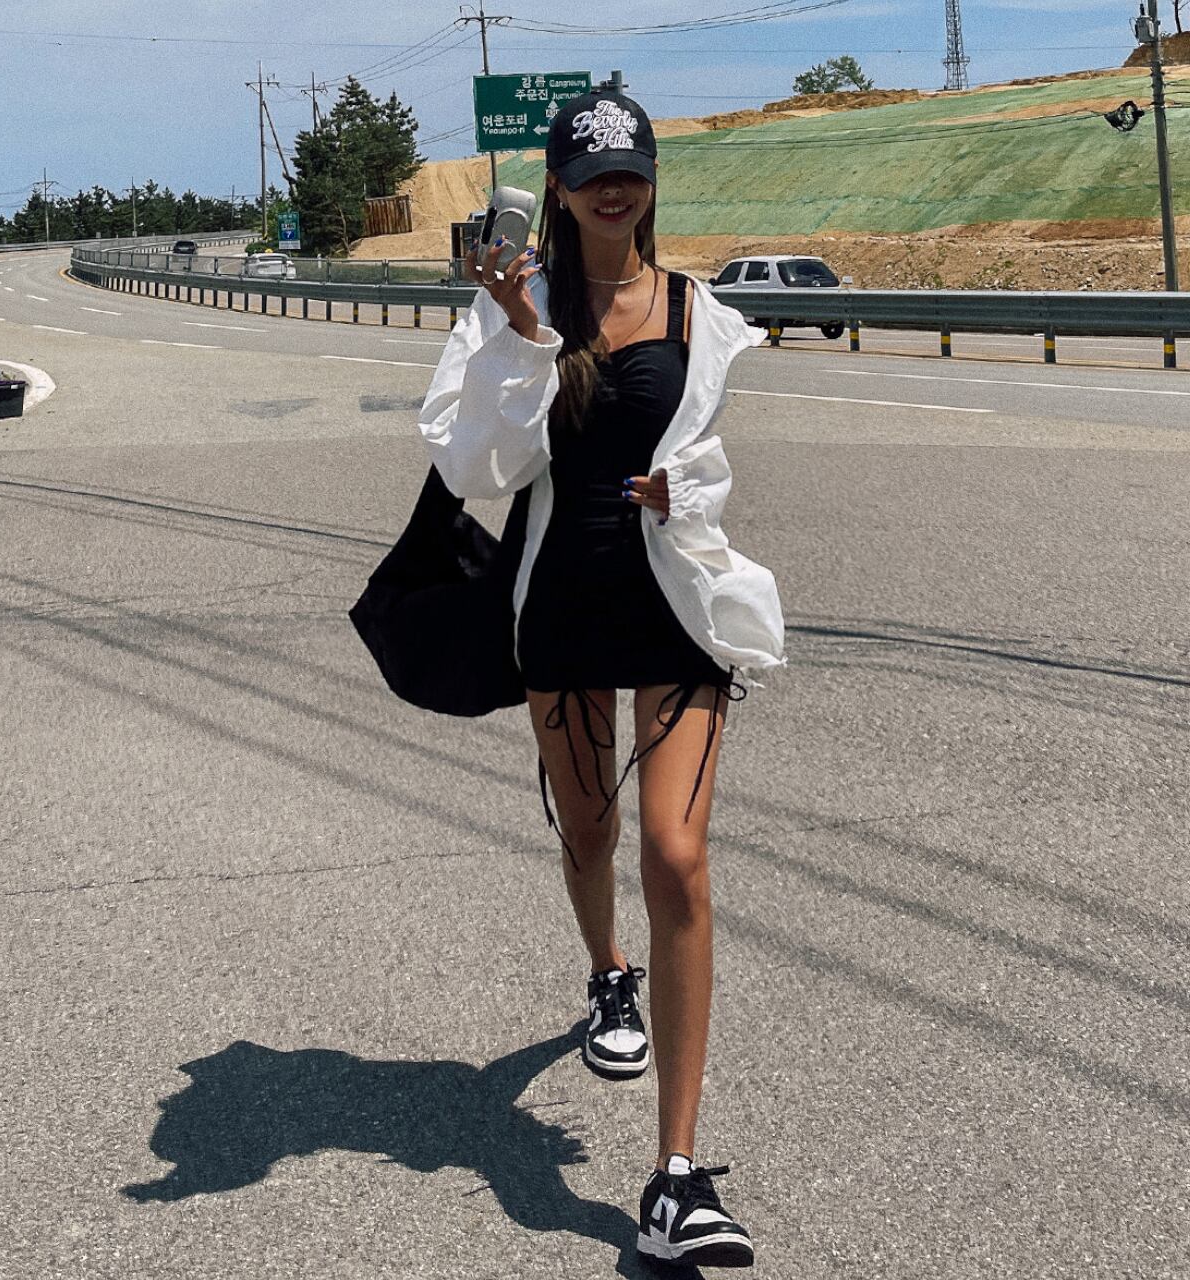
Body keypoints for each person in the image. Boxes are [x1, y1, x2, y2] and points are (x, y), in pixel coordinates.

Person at [418, 89, 784, 1269]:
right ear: (559, 190)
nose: (610, 191)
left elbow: (709, 461)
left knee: (675, 852)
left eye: (628, 172)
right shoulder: (511, 303)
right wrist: (519, 334)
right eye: (588, 176)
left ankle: (675, 1174)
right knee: (589, 829)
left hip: (674, 602)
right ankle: (605, 973)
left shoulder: (695, 309)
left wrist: (690, 491)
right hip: (561, 600)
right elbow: (475, 465)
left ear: (649, 181)